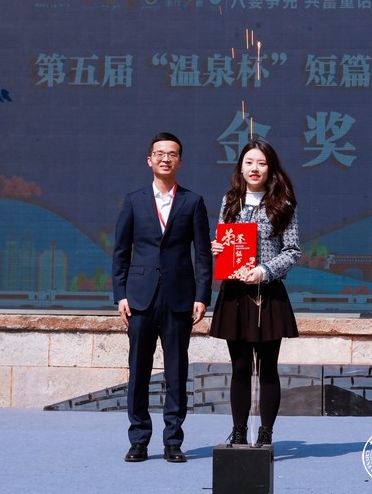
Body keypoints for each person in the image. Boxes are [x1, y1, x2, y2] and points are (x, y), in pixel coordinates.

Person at [112, 132, 213, 464]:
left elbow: (202, 255)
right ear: (149, 160)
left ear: (179, 161)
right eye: (159, 153)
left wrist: (202, 296)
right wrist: (120, 295)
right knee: (139, 371)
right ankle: (139, 440)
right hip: (139, 299)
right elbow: (121, 252)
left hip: (179, 298)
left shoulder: (193, 202)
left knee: (176, 373)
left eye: (172, 154)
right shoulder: (134, 201)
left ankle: (173, 441)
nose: (165, 159)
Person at [209, 139, 301, 447]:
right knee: (239, 368)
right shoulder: (230, 201)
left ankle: (266, 432)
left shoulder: (283, 204)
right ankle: (238, 431)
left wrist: (264, 270)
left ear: (270, 168)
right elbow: (224, 239)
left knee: (267, 368)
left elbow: (292, 251)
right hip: (235, 294)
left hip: (267, 295)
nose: (255, 168)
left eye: (261, 163)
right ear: (240, 167)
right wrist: (218, 248)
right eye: (249, 162)